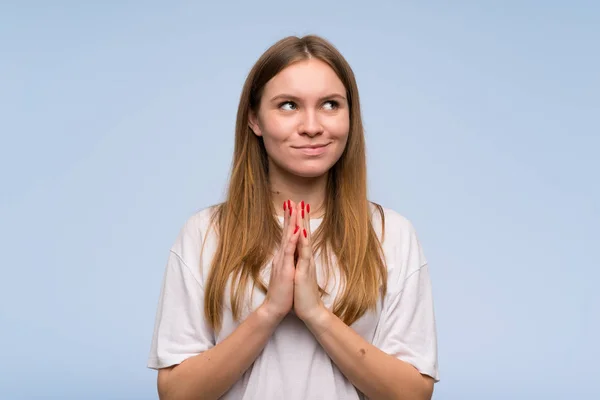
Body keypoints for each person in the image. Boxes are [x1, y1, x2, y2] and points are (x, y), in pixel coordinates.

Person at [147, 34, 440, 400]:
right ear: (254, 118)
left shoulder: (390, 235)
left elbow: (412, 395)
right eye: (288, 105)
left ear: (350, 116)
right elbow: (176, 394)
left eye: (331, 104)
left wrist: (316, 314)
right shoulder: (204, 234)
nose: (312, 126)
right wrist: (270, 311)